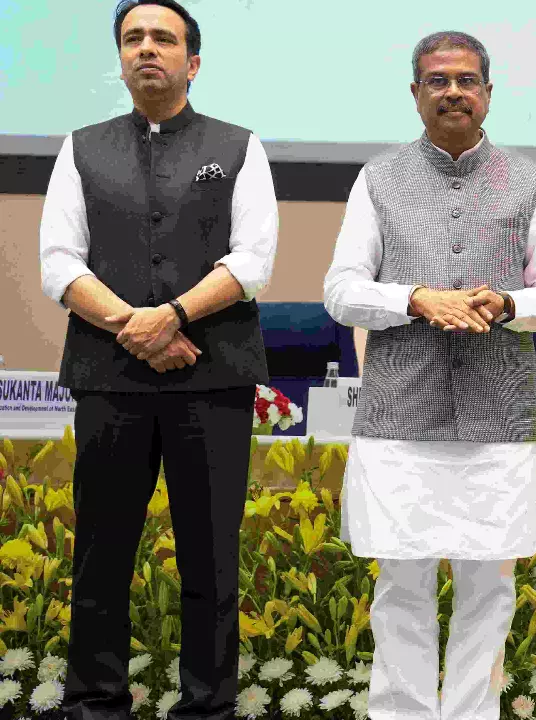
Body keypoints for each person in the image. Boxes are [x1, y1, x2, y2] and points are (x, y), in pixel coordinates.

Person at [322, 31, 536, 720]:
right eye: (438, 81)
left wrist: (507, 304)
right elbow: (341, 290)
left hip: (496, 418)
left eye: (467, 80)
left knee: (489, 590)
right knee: (400, 585)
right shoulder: (378, 178)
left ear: (488, 92)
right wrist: (413, 299)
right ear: (416, 94)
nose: (454, 91)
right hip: (400, 416)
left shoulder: (528, 180)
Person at [37, 1, 278, 718]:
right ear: (119, 58)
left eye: (163, 39)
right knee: (101, 554)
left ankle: (207, 707)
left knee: (210, 557)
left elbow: (254, 260)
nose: (148, 49)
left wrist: (172, 316)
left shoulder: (239, 145)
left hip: (214, 381)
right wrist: (134, 326)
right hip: (110, 380)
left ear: (192, 62)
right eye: (133, 38)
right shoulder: (80, 147)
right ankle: (95, 702)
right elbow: (57, 262)